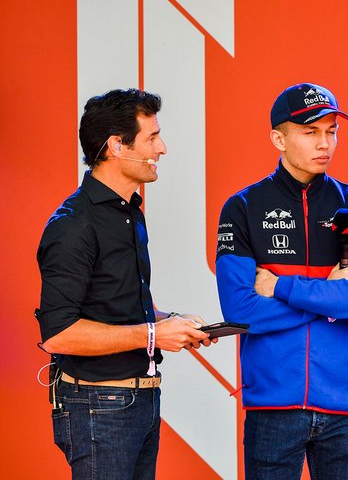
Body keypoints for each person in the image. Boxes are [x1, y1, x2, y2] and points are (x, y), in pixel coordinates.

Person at [36, 88, 216, 479]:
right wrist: (153, 334)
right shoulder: (73, 225)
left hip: (138, 399)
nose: (162, 148)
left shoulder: (129, 213)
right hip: (98, 404)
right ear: (117, 146)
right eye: (152, 137)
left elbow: (117, 305)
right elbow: (59, 334)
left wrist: (175, 323)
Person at [215, 82, 348, 479]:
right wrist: (328, 295)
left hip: (345, 409)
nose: (324, 143)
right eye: (310, 132)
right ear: (278, 137)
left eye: (331, 131)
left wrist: (281, 287)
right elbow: (241, 310)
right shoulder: (242, 207)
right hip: (273, 409)